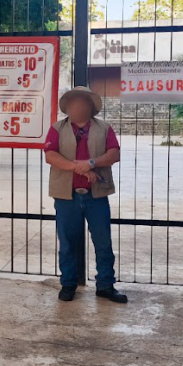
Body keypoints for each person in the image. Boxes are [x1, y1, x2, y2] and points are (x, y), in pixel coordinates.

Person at [44, 86, 126, 303]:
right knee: (68, 242)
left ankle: (106, 285)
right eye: (74, 103)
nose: (78, 107)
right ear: (67, 107)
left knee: (103, 242)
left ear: (91, 106)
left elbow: (114, 154)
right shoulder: (56, 129)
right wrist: (77, 167)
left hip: (96, 195)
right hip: (66, 195)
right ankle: (68, 284)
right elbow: (50, 155)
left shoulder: (104, 128)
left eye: (83, 103)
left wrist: (91, 163)